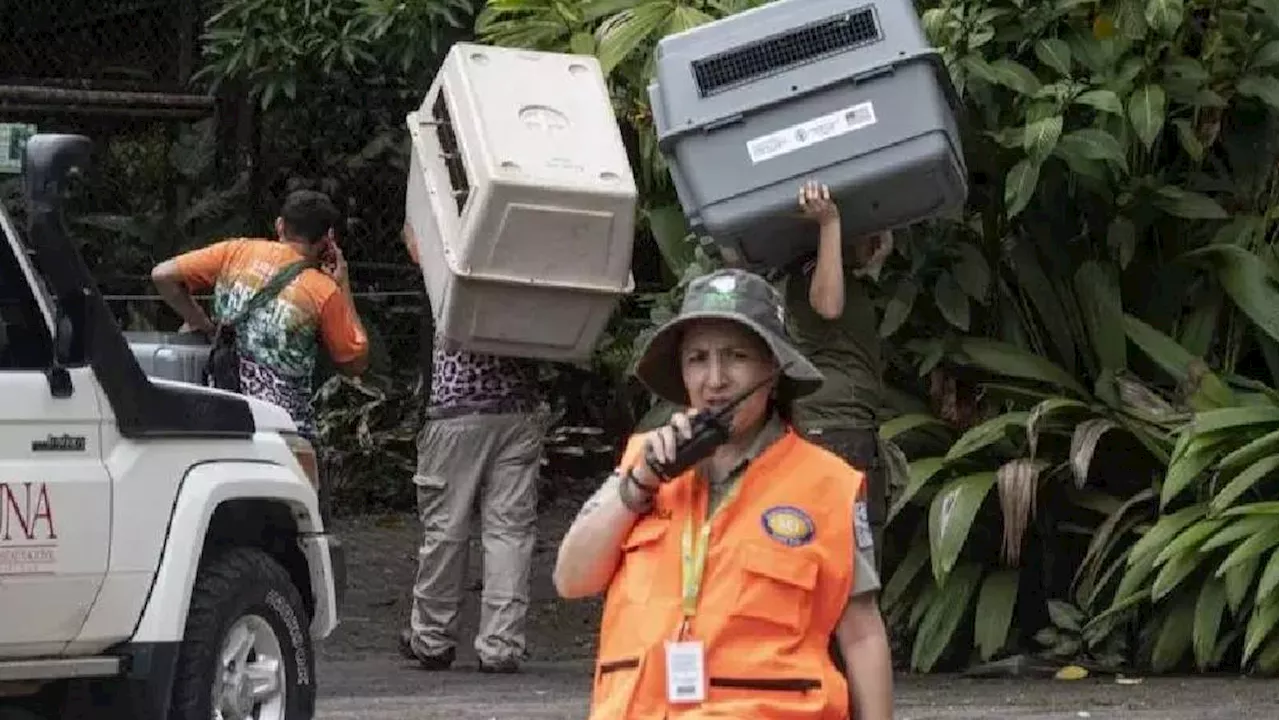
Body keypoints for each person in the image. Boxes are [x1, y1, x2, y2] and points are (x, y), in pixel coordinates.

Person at [554, 268, 894, 720]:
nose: (715, 379)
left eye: (736, 357)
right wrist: (641, 483)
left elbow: (863, 633)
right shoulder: (642, 460)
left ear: (772, 371)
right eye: (698, 359)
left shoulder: (827, 482)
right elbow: (571, 579)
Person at [398, 222, 547, 674]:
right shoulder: (530, 267)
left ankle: (432, 638)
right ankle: (501, 645)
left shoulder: (452, 257)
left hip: (456, 414)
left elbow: (414, 235)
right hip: (518, 413)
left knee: (446, 528)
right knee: (509, 532)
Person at [150, 189, 369, 440]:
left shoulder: (236, 252)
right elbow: (355, 362)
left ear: (280, 225)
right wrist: (344, 285)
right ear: (327, 239)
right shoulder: (323, 291)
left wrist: (204, 325)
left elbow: (162, 275)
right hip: (283, 428)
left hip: (225, 417)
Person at [778, 180, 895, 570]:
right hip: (833, 437)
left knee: (850, 564)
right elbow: (828, 305)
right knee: (846, 568)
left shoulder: (846, 279)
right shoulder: (814, 272)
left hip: (844, 434)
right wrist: (830, 223)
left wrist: (870, 254)